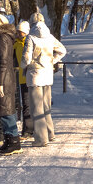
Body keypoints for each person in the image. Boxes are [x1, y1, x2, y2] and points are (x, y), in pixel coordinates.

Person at [22, 13, 67, 147]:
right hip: (47, 74)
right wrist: (52, 61)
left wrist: (22, 66)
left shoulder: (31, 37)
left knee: (36, 108)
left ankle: (41, 139)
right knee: (47, 106)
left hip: (34, 75)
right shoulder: (49, 36)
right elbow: (62, 51)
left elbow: (26, 58)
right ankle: (50, 133)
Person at [0, 12, 22, 155]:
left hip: (3, 79)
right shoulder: (2, 37)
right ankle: (10, 140)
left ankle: (14, 142)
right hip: (3, 78)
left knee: (5, 110)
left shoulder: (2, 38)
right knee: (5, 110)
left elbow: (3, 61)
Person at [14, 20, 33, 136]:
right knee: (26, 104)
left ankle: (29, 130)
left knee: (30, 104)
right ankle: (27, 130)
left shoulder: (30, 42)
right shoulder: (16, 43)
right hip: (22, 78)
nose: (17, 33)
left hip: (31, 77)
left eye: (20, 32)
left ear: (25, 32)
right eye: (17, 31)